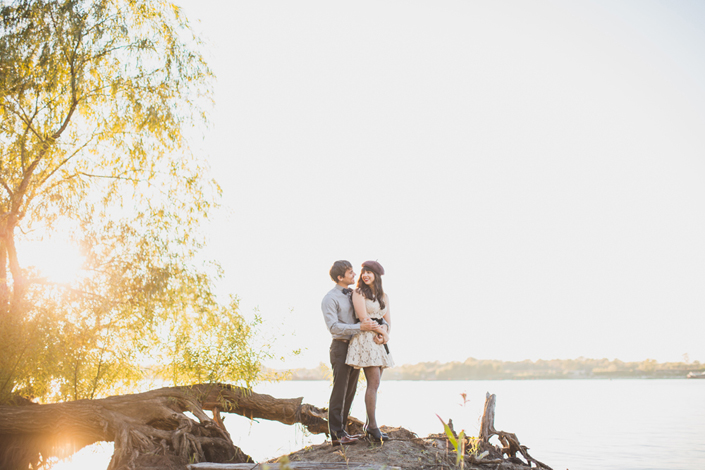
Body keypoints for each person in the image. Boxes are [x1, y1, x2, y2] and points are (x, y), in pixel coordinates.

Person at [321, 260, 387, 446]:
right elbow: (333, 327)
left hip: (356, 347)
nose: (354, 274)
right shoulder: (330, 298)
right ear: (340, 277)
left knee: (350, 391)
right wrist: (359, 327)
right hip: (340, 347)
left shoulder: (355, 293)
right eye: (350, 272)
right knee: (339, 390)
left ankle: (343, 430)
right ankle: (336, 434)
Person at [345, 260, 394, 443]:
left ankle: (368, 424)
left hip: (379, 341)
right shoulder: (358, 293)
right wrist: (383, 334)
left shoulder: (384, 296)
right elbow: (365, 319)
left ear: (376, 276)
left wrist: (385, 334)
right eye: (363, 272)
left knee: (376, 384)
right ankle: (373, 426)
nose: (365, 275)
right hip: (366, 339)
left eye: (369, 272)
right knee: (373, 383)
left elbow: (387, 321)